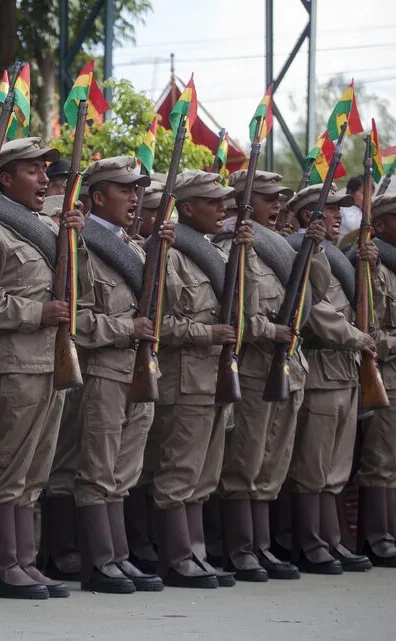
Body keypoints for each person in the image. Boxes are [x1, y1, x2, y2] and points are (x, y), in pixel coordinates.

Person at [0, 136, 75, 600]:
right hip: (16, 360)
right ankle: (1, 564)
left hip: (49, 360)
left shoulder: (49, 228)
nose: (43, 180)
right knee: (9, 465)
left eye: (44, 171)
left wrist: (74, 236)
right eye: (32, 171)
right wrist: (36, 314)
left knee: (36, 468)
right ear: (7, 178)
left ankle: (24, 561)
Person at [147, 170, 252, 588]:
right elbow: (159, 323)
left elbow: (247, 310)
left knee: (205, 474)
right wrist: (206, 334)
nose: (223, 210)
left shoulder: (220, 252)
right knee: (179, 470)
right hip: (186, 376)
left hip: (216, 377)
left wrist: (243, 254)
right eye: (213, 203)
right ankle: (176, 557)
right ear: (186, 208)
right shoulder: (168, 251)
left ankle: (197, 553)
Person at [74, 155, 166, 594]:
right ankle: (99, 562)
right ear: (97, 196)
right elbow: (75, 318)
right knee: (99, 467)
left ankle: (119, 557)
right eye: (125, 189)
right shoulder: (81, 244)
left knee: (125, 469)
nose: (135, 197)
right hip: (104, 367)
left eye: (137, 190)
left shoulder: (134, 246)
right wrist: (125, 328)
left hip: (137, 368)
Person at [218, 170, 307, 581]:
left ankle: (262, 545)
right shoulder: (229, 247)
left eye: (279, 201)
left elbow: (314, 296)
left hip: (284, 365)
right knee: (245, 461)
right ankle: (240, 548)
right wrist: (271, 330)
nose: (278, 208)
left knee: (272, 461)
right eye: (269, 199)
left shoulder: (279, 248)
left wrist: (316, 250)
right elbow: (235, 313)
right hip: (253, 366)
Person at [285, 183, 373, 574]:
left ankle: (332, 540)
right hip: (321, 368)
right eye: (332, 210)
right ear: (308, 216)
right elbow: (314, 308)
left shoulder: (338, 256)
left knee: (337, 466)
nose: (340, 215)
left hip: (346, 371)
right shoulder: (298, 252)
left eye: (341, 210)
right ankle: (311, 542)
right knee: (313, 465)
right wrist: (357, 337)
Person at [357, 193, 396, 567]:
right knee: (381, 459)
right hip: (386, 375)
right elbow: (369, 331)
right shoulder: (373, 268)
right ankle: (378, 537)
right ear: (380, 225)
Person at [338, 176, 364, 245]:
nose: (368, 198)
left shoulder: (360, 210)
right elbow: (354, 226)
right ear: (351, 191)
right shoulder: (344, 209)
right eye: (363, 193)